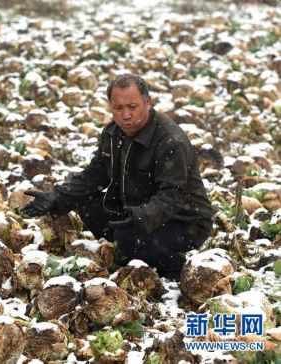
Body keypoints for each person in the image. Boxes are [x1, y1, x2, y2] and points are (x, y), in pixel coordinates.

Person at [21, 74, 213, 279]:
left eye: (132, 106)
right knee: (87, 203)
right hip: (136, 208)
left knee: (127, 237)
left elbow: (172, 196)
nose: (126, 115)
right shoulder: (114, 133)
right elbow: (95, 174)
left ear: (148, 102)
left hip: (184, 222)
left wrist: (141, 217)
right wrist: (56, 198)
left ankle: (173, 267)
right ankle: (131, 250)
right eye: (118, 108)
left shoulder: (170, 141)